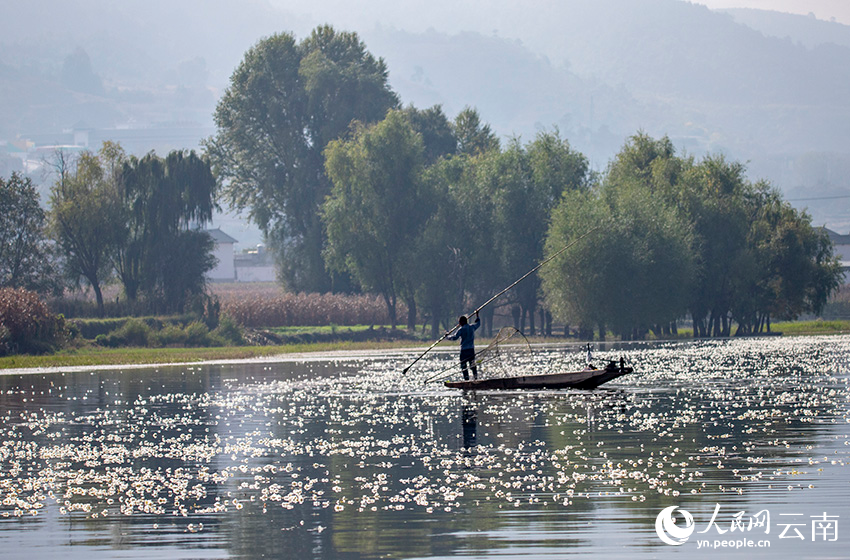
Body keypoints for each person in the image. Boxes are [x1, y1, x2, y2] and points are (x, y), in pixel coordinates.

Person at [449, 312, 481, 380]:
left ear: (462, 322)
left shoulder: (461, 329)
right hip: (471, 350)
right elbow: (478, 324)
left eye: (459, 322)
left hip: (464, 351)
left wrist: (447, 337)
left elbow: (455, 337)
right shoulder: (472, 327)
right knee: (472, 365)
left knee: (463, 366)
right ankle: (476, 378)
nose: (459, 324)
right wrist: (477, 316)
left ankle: (466, 380)